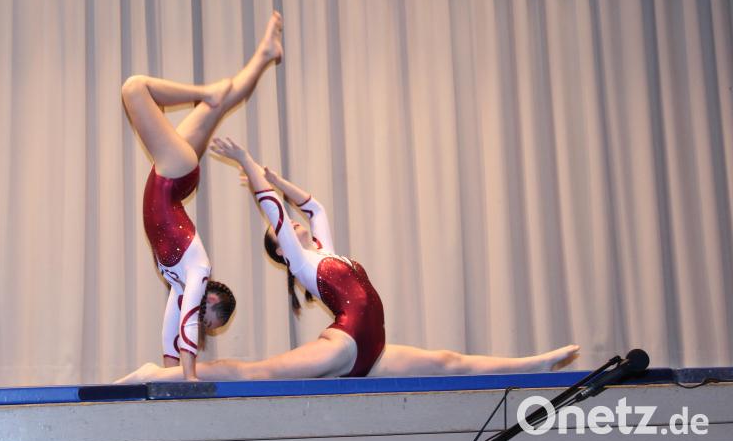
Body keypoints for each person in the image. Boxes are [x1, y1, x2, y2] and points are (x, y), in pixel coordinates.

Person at [116, 138, 579, 383]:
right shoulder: (301, 262)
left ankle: (532, 363)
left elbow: (314, 206)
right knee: (260, 373)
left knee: (447, 361)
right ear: (280, 249)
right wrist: (247, 163)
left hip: (373, 351)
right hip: (343, 343)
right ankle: (158, 374)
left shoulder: (325, 250)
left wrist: (281, 178)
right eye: (282, 233)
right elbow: (273, 207)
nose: (292, 225)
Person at [120, 12, 285, 381]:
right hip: (171, 172)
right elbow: (188, 320)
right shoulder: (197, 270)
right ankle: (204, 90)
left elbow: (171, 325)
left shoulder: (179, 282)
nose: (207, 327)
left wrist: (169, 372)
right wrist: (190, 376)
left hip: (173, 178)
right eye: (212, 321)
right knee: (134, 88)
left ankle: (264, 53)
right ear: (211, 302)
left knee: (217, 105)